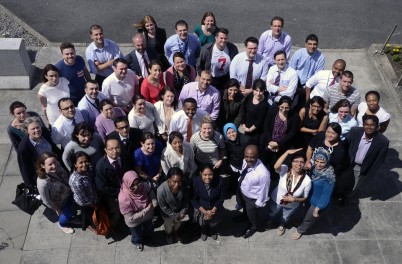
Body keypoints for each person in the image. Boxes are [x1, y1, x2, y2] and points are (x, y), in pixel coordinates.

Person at [291, 148, 335, 240]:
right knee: (304, 212)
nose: (318, 164)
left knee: (309, 218)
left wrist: (317, 209)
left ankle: (300, 230)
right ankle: (301, 222)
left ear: (327, 161)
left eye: (322, 162)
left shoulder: (329, 177)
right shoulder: (314, 169)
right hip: (309, 197)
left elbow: (326, 195)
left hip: (318, 203)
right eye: (316, 161)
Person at [268, 149, 311, 236]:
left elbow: (305, 198)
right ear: (291, 162)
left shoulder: (307, 180)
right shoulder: (285, 170)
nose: (298, 164)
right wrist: (286, 152)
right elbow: (276, 167)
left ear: (304, 164)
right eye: (296, 161)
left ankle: (282, 225)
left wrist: (294, 199)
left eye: (301, 162)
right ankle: (270, 220)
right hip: (276, 199)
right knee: (272, 212)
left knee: (286, 216)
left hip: (292, 204)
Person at [343, 115, 389, 194]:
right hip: (348, 163)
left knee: (353, 187)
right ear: (363, 124)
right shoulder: (354, 131)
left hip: (362, 167)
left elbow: (379, 160)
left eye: (372, 125)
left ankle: (346, 198)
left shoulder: (383, 141)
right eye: (366, 124)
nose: (369, 127)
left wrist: (369, 174)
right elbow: (345, 146)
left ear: (377, 126)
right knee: (342, 181)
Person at [36, 152, 76, 234]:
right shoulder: (42, 183)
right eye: (50, 164)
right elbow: (46, 200)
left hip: (70, 192)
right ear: (43, 166)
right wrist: (57, 209)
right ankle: (62, 224)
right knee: (65, 216)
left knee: (73, 209)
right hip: (61, 202)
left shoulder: (57, 164)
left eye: (54, 162)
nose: (54, 166)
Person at [95, 137, 129, 231]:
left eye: (117, 148)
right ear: (106, 150)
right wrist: (120, 192)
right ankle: (113, 227)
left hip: (126, 190)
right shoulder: (101, 165)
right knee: (115, 212)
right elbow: (102, 187)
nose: (115, 151)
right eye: (111, 149)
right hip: (112, 195)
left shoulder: (124, 158)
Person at [119, 171, 157, 251]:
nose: (136, 187)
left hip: (147, 216)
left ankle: (148, 239)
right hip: (134, 222)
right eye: (132, 185)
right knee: (136, 235)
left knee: (148, 229)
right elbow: (132, 218)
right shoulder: (123, 198)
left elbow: (150, 192)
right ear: (126, 183)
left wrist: (154, 201)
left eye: (137, 183)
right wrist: (148, 209)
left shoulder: (143, 185)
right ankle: (137, 242)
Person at [238, 145, 270, 238]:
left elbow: (264, 190)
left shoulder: (263, 173)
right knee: (246, 210)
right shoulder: (245, 161)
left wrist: (258, 204)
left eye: (252, 157)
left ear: (257, 156)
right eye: (246, 156)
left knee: (251, 214)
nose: (249, 159)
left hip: (252, 198)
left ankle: (253, 227)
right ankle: (245, 217)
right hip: (243, 191)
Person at [17, 117, 61, 187]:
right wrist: (30, 185)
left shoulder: (44, 134)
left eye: (38, 127)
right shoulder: (24, 147)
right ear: (26, 130)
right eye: (33, 129)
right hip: (44, 175)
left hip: (56, 167)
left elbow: (54, 148)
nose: (37, 130)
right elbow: (24, 168)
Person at [261, 96, 300, 170]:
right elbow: (266, 125)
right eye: (281, 107)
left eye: (287, 108)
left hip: (283, 144)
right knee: (265, 162)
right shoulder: (273, 110)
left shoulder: (294, 116)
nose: (284, 110)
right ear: (278, 105)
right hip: (269, 141)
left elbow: (292, 133)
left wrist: (278, 143)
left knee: (276, 165)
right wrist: (270, 141)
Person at [289, 34, 325, 110]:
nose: (312, 46)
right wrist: (296, 85)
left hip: (309, 85)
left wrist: (307, 87)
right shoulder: (299, 53)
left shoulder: (320, 57)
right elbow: (291, 70)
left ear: (317, 45)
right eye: (310, 44)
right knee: (290, 104)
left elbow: (317, 75)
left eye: (314, 44)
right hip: (296, 82)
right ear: (305, 44)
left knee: (305, 107)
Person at [192, 164, 226, 241]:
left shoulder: (220, 181)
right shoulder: (195, 182)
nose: (207, 177)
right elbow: (194, 199)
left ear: (213, 173)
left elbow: (221, 198)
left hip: (215, 208)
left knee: (214, 222)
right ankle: (204, 231)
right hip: (201, 207)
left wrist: (212, 211)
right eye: (205, 175)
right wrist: (205, 212)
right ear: (200, 173)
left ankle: (212, 230)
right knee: (202, 223)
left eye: (210, 174)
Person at [69, 151, 99, 232]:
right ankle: (90, 226)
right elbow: (83, 199)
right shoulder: (75, 181)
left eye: (86, 161)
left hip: (93, 196)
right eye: (80, 163)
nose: (84, 164)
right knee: (88, 216)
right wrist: (94, 205)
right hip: (86, 204)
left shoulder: (88, 169)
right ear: (75, 164)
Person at [157, 167, 188, 244]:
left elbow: (186, 200)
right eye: (174, 182)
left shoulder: (184, 185)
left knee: (178, 225)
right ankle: (169, 235)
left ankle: (177, 233)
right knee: (169, 227)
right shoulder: (161, 190)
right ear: (168, 179)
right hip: (167, 214)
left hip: (180, 212)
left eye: (179, 182)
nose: (177, 184)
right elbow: (163, 207)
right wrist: (176, 216)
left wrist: (183, 211)